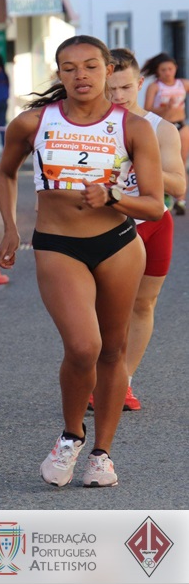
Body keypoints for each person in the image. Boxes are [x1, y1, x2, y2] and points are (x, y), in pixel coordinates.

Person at [0, 35, 164, 488]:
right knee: (83, 347)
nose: (81, 75)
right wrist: (10, 228)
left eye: (91, 66)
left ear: (108, 71)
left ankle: (102, 454)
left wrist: (113, 195)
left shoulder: (133, 127)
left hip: (118, 244)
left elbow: (155, 204)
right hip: (56, 244)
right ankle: (72, 435)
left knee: (113, 350)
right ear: (58, 74)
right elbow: (6, 172)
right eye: (69, 68)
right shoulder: (32, 123)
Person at [104, 48, 186, 410]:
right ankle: (102, 378)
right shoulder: (90, 128)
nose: (118, 96)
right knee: (105, 310)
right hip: (110, 226)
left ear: (139, 83)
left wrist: (144, 161)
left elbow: (180, 187)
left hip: (154, 222)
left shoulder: (160, 128)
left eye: (124, 87)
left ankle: (124, 381)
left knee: (144, 304)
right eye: (110, 89)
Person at [142, 52, 189, 215]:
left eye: (170, 69)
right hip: (161, 128)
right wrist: (165, 108)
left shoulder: (183, 84)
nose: (167, 73)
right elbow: (147, 108)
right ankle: (163, 195)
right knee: (161, 164)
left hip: (181, 126)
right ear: (158, 72)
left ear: (175, 68)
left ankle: (181, 200)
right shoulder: (155, 86)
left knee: (180, 164)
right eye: (163, 70)